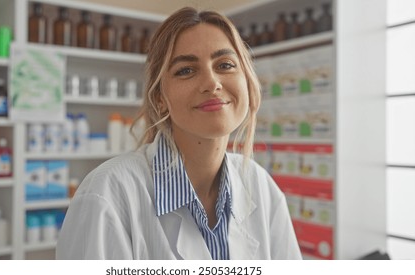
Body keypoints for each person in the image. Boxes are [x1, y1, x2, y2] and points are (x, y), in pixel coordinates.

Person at [56, 6, 301, 260]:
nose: (212, 83)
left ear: (248, 82)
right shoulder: (107, 195)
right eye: (186, 70)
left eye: (225, 65)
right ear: (160, 97)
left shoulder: (261, 187)